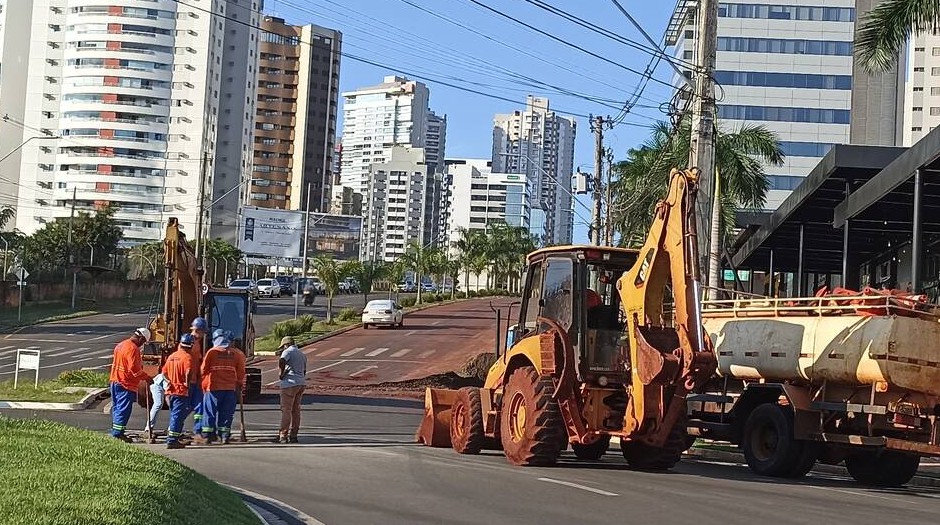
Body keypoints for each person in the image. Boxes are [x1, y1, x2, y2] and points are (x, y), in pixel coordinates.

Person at [197, 329, 246, 445]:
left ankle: (208, 436)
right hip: (230, 389)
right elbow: (241, 372)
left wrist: (202, 382)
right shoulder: (236, 354)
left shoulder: (212, 352)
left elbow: (203, 370)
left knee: (209, 413)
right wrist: (239, 383)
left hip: (213, 388)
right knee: (226, 413)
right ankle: (224, 436)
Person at [108, 327, 152, 442]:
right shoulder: (133, 349)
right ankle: (118, 434)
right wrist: (147, 378)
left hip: (115, 380)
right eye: (143, 342)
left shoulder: (121, 345)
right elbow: (134, 369)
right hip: (125, 383)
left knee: (117, 408)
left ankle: (116, 430)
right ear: (141, 338)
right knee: (124, 409)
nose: (142, 345)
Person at [163, 334, 194, 449]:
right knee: (177, 417)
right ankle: (172, 440)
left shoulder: (172, 356)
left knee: (175, 416)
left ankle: (174, 438)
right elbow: (188, 371)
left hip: (170, 391)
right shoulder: (187, 357)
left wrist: (169, 381)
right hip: (180, 391)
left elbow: (164, 373)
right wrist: (187, 383)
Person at [277, 336, 307, 444]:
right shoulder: (302, 354)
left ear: (286, 345)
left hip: (289, 384)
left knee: (286, 410)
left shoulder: (287, 352)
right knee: (296, 410)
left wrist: (281, 373)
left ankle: (283, 435)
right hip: (301, 383)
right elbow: (304, 371)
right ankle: (294, 434)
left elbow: (282, 360)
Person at [188, 317, 208, 436]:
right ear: (199, 330)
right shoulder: (190, 342)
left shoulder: (195, 342)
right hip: (189, 380)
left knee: (199, 405)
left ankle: (198, 429)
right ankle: (174, 430)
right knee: (185, 406)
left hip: (195, 378)